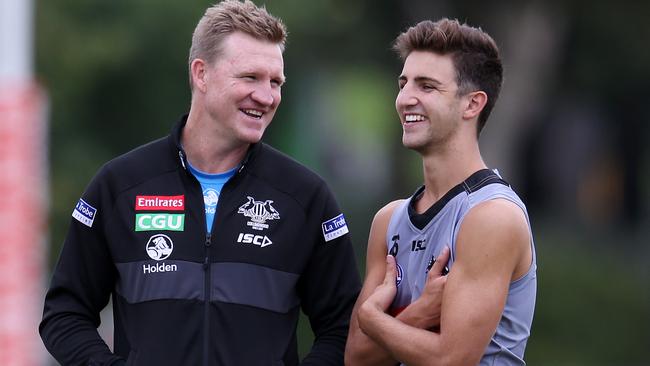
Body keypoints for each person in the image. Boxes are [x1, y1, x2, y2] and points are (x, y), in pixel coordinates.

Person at [39, 1, 361, 365]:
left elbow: (344, 326)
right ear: (201, 74)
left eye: (276, 82)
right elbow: (64, 314)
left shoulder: (305, 197)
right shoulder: (120, 186)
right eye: (250, 77)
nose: (267, 96)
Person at [345, 19, 536, 365]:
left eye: (427, 86)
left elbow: (451, 360)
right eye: (403, 84)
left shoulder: (492, 216)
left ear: (472, 105)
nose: (406, 99)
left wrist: (374, 319)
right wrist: (418, 313)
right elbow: (357, 358)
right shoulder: (388, 220)